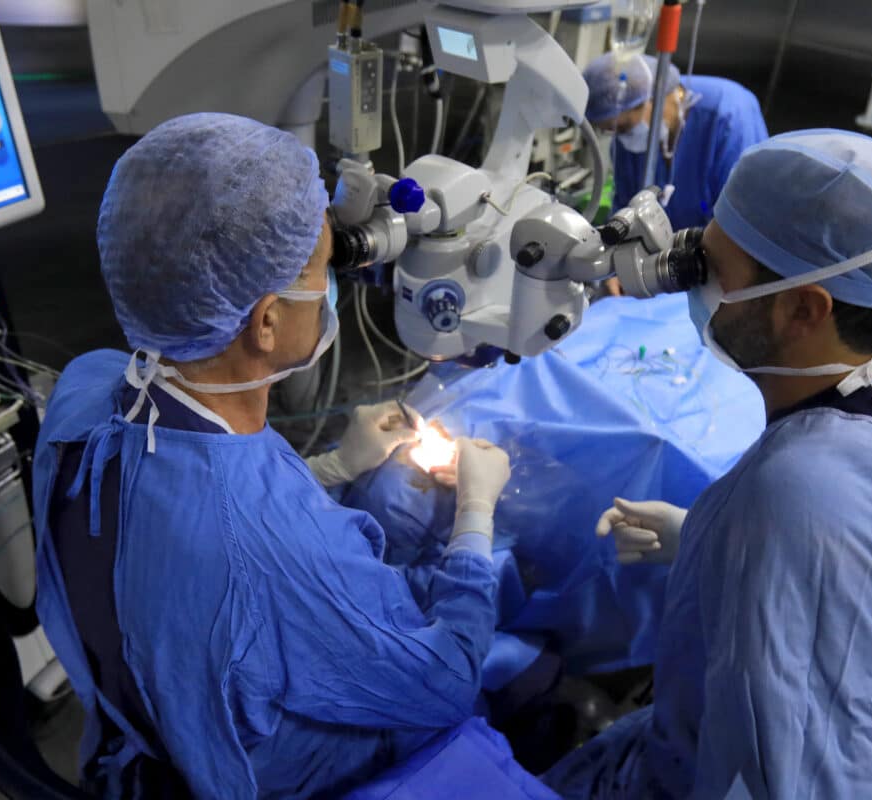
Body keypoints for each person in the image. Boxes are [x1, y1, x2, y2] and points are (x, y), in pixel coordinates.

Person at [32, 113, 514, 798]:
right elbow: (444, 680)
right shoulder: (271, 550)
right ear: (265, 321)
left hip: (142, 739)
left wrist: (334, 470)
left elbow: (187, 523)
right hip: (268, 775)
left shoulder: (84, 388)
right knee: (511, 667)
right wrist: (475, 512)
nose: (329, 288)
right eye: (320, 271)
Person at [543, 130, 872, 799]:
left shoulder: (800, 495)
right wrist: (707, 536)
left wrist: (767, 535)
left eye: (710, 268)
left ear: (802, 309)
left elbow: (800, 778)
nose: (690, 281)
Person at [583, 52, 768, 233]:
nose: (620, 137)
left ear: (653, 98)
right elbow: (627, 209)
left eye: (624, 127)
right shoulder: (625, 143)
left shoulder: (727, 116)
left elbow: (744, 220)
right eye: (609, 130)